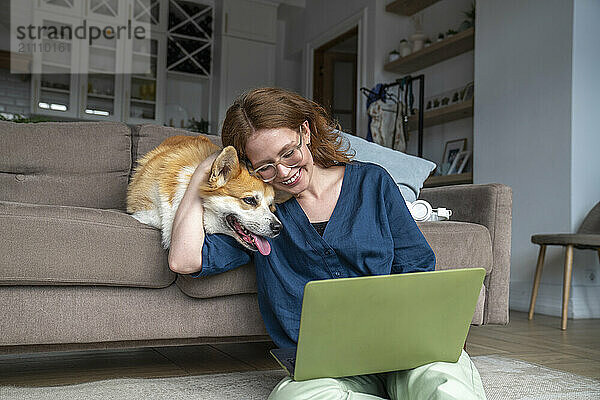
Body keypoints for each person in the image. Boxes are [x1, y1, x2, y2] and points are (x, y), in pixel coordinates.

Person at [168, 87, 487, 399]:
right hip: (324, 371)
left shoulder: (372, 182)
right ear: (250, 167)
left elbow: (417, 265)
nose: (284, 172)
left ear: (305, 132)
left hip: (405, 353)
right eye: (265, 166)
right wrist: (201, 175)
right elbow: (184, 261)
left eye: (288, 153)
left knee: (442, 380)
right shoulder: (259, 220)